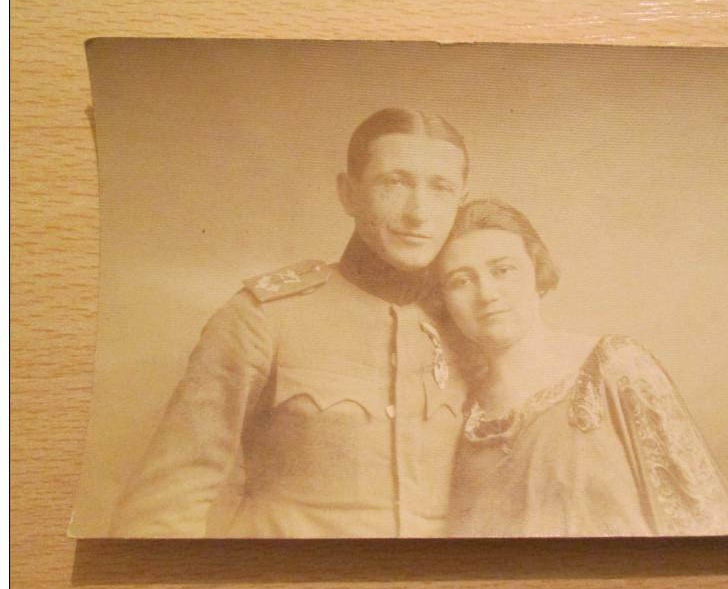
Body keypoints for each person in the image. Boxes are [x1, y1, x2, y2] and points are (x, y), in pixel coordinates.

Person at [110, 108, 470, 538]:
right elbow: (165, 506)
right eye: (394, 182)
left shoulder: (468, 325)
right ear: (348, 194)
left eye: (441, 188)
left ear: (460, 201)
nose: (419, 213)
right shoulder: (265, 317)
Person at [436, 200, 728, 537]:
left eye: (503, 270)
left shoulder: (614, 367)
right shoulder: (457, 415)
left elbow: (704, 518)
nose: (487, 294)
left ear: (537, 271)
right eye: (461, 281)